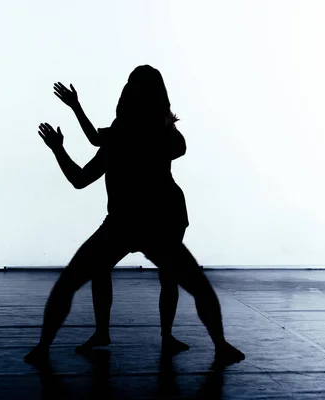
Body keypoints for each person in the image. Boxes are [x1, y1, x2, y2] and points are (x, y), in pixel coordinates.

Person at [25, 65, 245, 369]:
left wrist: (58, 149)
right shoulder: (158, 137)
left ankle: (47, 346)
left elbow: (80, 175)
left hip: (134, 224)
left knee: (72, 282)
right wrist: (77, 110)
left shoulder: (121, 138)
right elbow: (171, 145)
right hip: (156, 224)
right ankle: (213, 344)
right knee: (191, 285)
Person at [52, 81, 189, 355]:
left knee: (106, 268)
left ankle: (108, 333)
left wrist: (60, 143)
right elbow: (178, 146)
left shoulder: (120, 138)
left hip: (145, 219)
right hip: (159, 216)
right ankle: (165, 336)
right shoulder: (160, 135)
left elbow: (83, 169)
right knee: (166, 275)